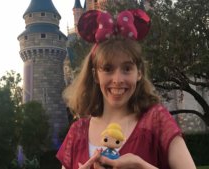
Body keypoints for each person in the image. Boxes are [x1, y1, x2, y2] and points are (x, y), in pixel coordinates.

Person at [56, 9, 196, 169]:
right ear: (95, 75)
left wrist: (142, 166)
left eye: (127, 68)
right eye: (108, 69)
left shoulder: (156, 121)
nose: (117, 80)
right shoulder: (77, 132)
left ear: (139, 73)